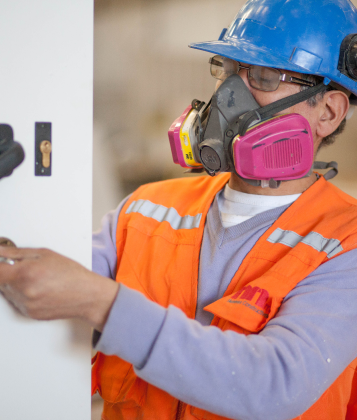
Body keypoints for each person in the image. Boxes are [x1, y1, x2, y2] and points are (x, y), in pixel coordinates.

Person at [2, 0, 357, 419]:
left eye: (263, 75)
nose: (229, 95)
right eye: (227, 69)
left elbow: (275, 383)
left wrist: (101, 303)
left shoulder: (344, 241)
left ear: (329, 111)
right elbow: (38, 283)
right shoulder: (145, 209)